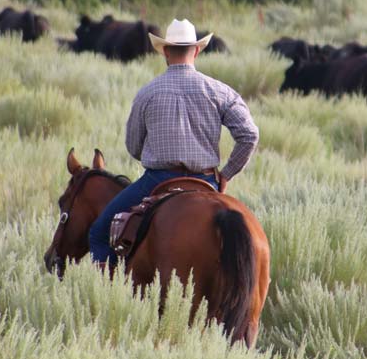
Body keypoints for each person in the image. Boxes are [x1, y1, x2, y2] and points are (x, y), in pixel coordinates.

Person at [87, 18, 259, 268]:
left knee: (99, 234)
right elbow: (249, 135)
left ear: (165, 52)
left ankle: (112, 296)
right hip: (206, 181)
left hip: (157, 180)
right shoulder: (220, 91)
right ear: (197, 50)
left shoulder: (147, 92)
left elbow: (133, 146)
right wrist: (226, 174)